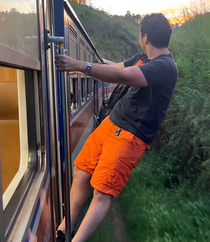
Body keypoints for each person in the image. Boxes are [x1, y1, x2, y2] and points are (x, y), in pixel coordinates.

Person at [54, 13, 178, 242]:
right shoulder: (143, 58)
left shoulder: (165, 67)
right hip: (112, 123)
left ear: (145, 36)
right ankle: (63, 229)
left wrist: (82, 64)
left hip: (130, 136)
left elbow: (122, 76)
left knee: (102, 193)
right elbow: (116, 66)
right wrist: (80, 69)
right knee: (81, 171)